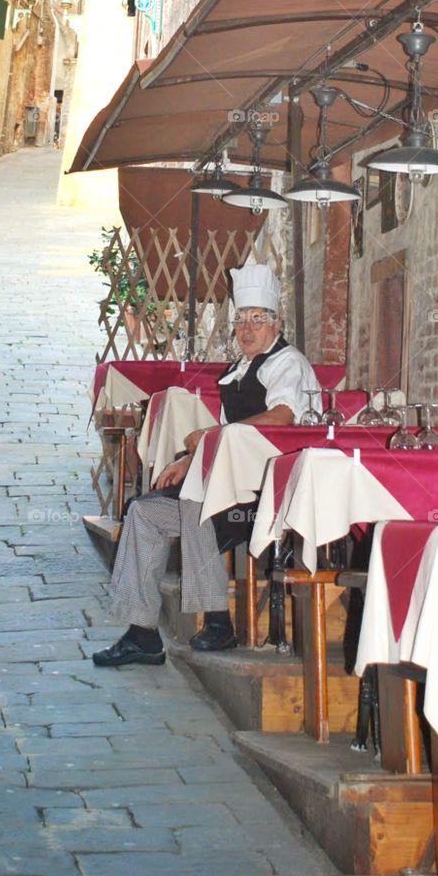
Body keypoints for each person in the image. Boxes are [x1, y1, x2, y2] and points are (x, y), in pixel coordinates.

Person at [93, 262, 319, 667]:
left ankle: (218, 621)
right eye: (242, 320)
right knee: (143, 513)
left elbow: (283, 416)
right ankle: (142, 633)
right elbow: (228, 435)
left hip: (268, 494)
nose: (247, 329)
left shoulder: (288, 364)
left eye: (258, 320)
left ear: (277, 324)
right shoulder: (239, 370)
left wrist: (211, 439)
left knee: (197, 502)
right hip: (228, 485)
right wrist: (189, 458)